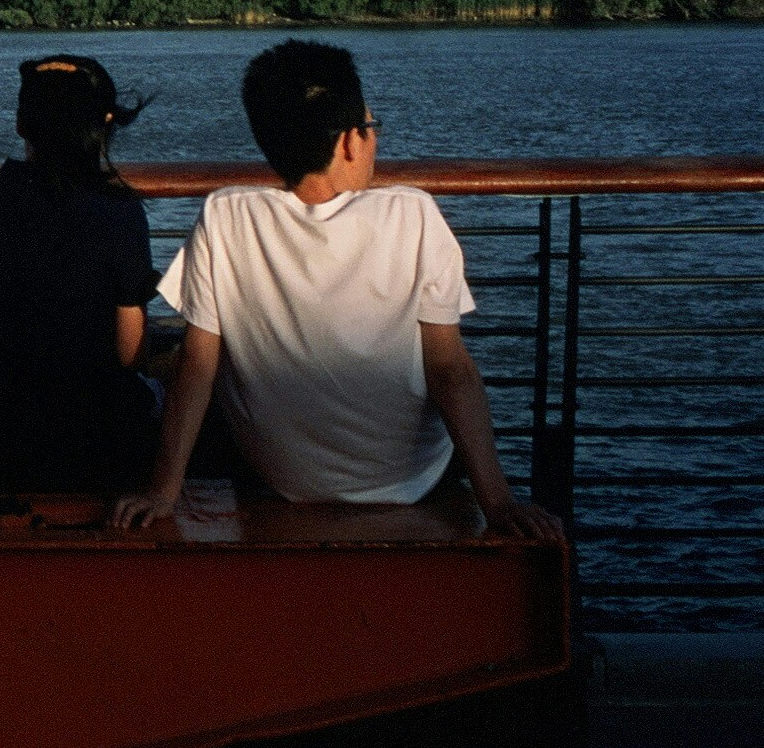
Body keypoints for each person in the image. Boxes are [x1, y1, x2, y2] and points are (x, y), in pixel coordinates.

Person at [110, 40, 564, 540]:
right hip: (412, 480)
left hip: (284, 479)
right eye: (371, 129)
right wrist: (498, 503)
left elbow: (198, 365)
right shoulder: (412, 215)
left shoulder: (225, 215)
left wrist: (162, 493)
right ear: (350, 141)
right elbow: (449, 371)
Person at [0, 54, 161, 491]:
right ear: (104, 123)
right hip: (98, 445)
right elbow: (130, 354)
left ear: (21, 123)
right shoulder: (121, 214)